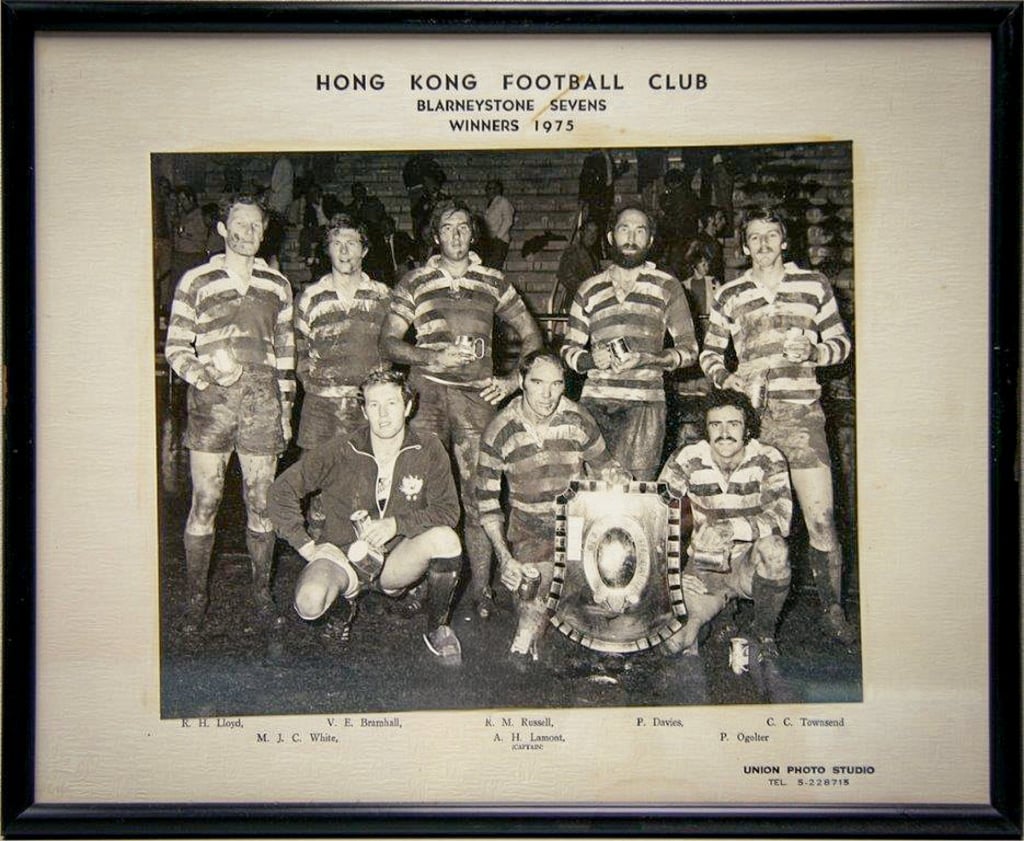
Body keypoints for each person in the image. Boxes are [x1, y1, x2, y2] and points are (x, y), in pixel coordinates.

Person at [379, 199, 544, 619]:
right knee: (420, 495)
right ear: (435, 236)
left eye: (463, 228)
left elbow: (533, 336)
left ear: (475, 234)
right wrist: (427, 358)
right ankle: (419, 583)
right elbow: (388, 342)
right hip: (427, 399)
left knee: (479, 497)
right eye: (447, 228)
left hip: (475, 402)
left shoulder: (493, 281)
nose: (455, 235)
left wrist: (512, 382)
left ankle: (483, 590)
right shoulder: (415, 281)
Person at [699, 207, 856, 644]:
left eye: (772, 235)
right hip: (753, 423)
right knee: (746, 520)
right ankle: (731, 607)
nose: (763, 244)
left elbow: (842, 344)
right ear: (744, 245)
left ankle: (833, 610)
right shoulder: (730, 293)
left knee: (821, 519)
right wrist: (725, 378)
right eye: (754, 237)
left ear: (785, 241)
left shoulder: (813, 285)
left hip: (803, 418)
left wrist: (814, 352)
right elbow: (709, 353)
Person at [267, 369, 464, 664]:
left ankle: (437, 628)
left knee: (446, 540)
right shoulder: (340, 449)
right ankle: (342, 608)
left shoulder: (429, 448)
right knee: (309, 602)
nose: (383, 415)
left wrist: (397, 524)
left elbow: (448, 510)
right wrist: (306, 545)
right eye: (374, 405)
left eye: (392, 404)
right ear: (363, 409)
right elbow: (280, 491)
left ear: (408, 406)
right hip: (343, 557)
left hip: (395, 559)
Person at [164, 194, 296, 633]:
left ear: (265, 232)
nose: (247, 232)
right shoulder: (195, 281)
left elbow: (286, 355)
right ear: (223, 229)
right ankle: (196, 597)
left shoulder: (278, 285)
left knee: (261, 502)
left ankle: (261, 592)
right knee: (206, 500)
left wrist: (286, 409)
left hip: (262, 399)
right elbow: (176, 347)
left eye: (256, 225)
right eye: (239, 224)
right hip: (212, 403)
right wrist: (205, 376)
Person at [477, 351, 627, 670]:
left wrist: (616, 476)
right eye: (538, 383)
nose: (547, 394)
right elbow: (488, 505)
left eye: (556, 384)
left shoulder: (579, 419)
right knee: (532, 615)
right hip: (530, 531)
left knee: (613, 606)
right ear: (521, 383)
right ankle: (536, 625)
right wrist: (505, 558)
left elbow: (606, 467)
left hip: (578, 529)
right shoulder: (499, 429)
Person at [561, 205, 698, 480]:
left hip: (645, 407)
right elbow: (567, 349)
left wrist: (650, 359)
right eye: (624, 229)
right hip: (595, 405)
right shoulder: (589, 288)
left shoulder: (667, 286)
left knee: (634, 498)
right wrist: (589, 359)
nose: (631, 237)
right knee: (592, 495)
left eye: (640, 230)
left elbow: (690, 351)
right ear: (611, 237)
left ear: (650, 241)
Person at [658, 389, 793, 663]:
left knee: (776, 549)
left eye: (734, 424)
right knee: (674, 643)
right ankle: (714, 615)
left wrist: (732, 529)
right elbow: (656, 514)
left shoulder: (768, 458)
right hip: (703, 567)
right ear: (705, 429)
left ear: (747, 429)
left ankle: (763, 632)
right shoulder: (687, 458)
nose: (724, 432)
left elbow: (782, 518)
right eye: (715, 424)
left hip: (746, 564)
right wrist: (673, 574)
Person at [294, 214, 391, 454]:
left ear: (365, 250)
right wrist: (310, 383)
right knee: (316, 482)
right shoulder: (310, 297)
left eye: (352, 243)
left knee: (369, 481)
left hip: (368, 405)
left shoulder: (383, 296)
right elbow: (299, 348)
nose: (344, 250)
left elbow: (394, 348)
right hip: (321, 408)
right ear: (328, 250)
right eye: (337, 244)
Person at [577, 149, 629, 256]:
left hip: (606, 200)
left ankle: (603, 254)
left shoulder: (608, 157)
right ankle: (595, 254)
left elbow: (611, 177)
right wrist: (585, 198)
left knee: (604, 227)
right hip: (596, 200)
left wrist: (622, 169)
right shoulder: (591, 158)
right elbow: (585, 179)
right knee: (595, 228)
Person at [550, 219, 601, 315]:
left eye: (595, 232)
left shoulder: (593, 256)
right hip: (576, 303)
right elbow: (565, 275)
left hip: (590, 304)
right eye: (588, 231)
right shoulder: (572, 252)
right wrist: (586, 288)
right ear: (581, 233)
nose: (592, 235)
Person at [481, 179, 515, 270]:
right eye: (488, 188)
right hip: (490, 241)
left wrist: (498, 237)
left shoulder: (503, 201)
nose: (489, 191)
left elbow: (508, 220)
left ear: (498, 189)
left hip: (499, 241)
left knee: (494, 268)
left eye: (492, 188)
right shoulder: (490, 204)